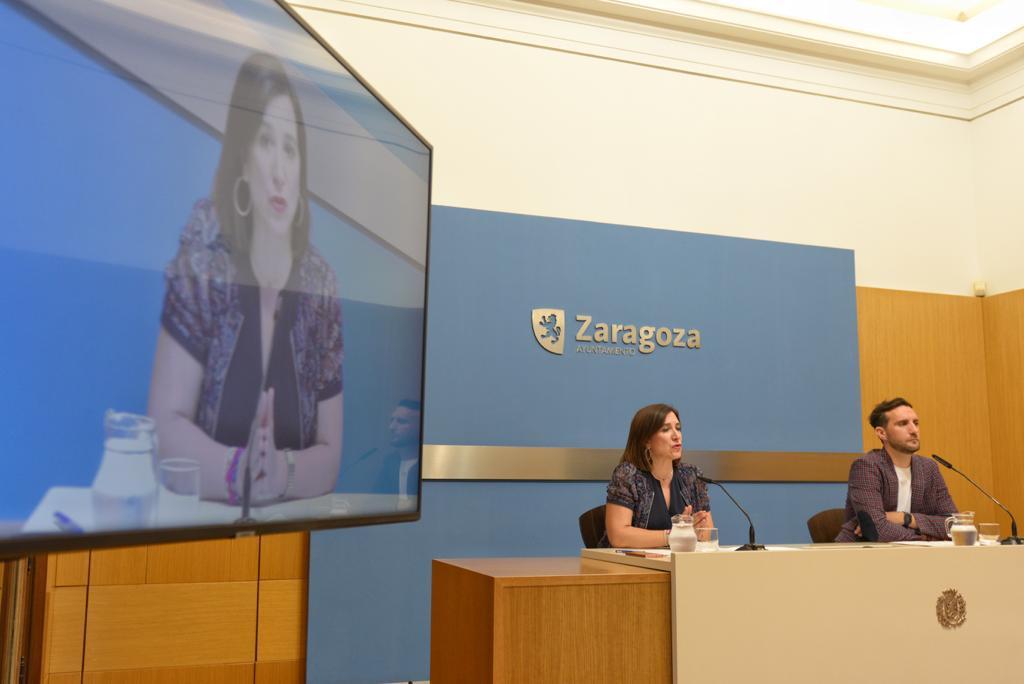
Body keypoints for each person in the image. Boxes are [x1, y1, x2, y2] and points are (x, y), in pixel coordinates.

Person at [148, 53, 343, 505]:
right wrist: (241, 473)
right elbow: (165, 429)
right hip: (197, 529)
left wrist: (281, 474)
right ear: (242, 157)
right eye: (264, 142)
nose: (278, 170)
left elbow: (331, 455)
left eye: (290, 149)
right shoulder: (205, 258)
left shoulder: (320, 285)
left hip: (293, 530)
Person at [835, 398, 957, 542]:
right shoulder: (867, 466)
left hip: (914, 553)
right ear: (882, 433)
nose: (914, 430)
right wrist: (927, 538)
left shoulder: (929, 468)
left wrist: (905, 518)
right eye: (903, 424)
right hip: (864, 552)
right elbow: (876, 529)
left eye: (916, 423)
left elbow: (953, 525)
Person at [600, 403, 712, 548]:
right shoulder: (628, 475)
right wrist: (675, 535)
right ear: (646, 440)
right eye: (666, 429)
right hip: (629, 561)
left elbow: (706, 532)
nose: (676, 436)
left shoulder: (691, 476)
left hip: (677, 560)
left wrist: (694, 530)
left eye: (678, 428)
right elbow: (619, 536)